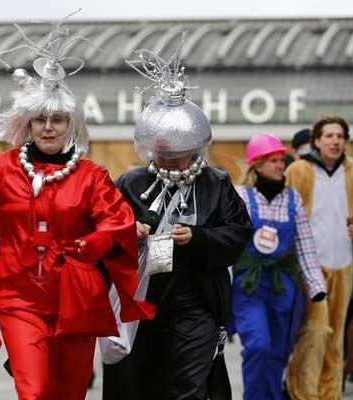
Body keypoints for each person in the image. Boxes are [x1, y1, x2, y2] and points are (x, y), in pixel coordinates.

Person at [0, 17, 155, 400]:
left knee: (69, 391)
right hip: (18, 300)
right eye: (40, 119)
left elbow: (116, 220)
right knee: (34, 390)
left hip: (75, 299)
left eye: (57, 119)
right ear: (26, 124)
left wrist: (90, 244)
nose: (48, 127)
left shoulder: (90, 175)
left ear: (71, 124)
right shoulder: (3, 169)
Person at [100, 37, 253, 400]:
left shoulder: (215, 183)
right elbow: (104, 233)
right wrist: (129, 231)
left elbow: (238, 234)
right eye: (164, 154)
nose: (171, 161)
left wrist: (199, 239)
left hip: (196, 302)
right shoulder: (132, 182)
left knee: (190, 386)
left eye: (181, 155)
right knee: (142, 385)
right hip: (141, 303)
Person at [284, 115, 353, 400]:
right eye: (328, 135)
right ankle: (302, 393)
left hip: (343, 266)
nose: (335, 141)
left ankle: (330, 394)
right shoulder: (299, 172)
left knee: (334, 338)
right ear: (316, 141)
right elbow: (283, 211)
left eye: (340, 136)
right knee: (314, 334)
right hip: (307, 267)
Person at [233, 133, 326, 400]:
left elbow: (305, 244)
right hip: (249, 286)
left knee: (278, 351)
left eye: (280, 160)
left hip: (283, 285)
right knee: (258, 345)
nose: (280, 165)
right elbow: (229, 242)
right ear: (257, 164)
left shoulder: (292, 198)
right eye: (273, 160)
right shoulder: (240, 196)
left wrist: (316, 286)